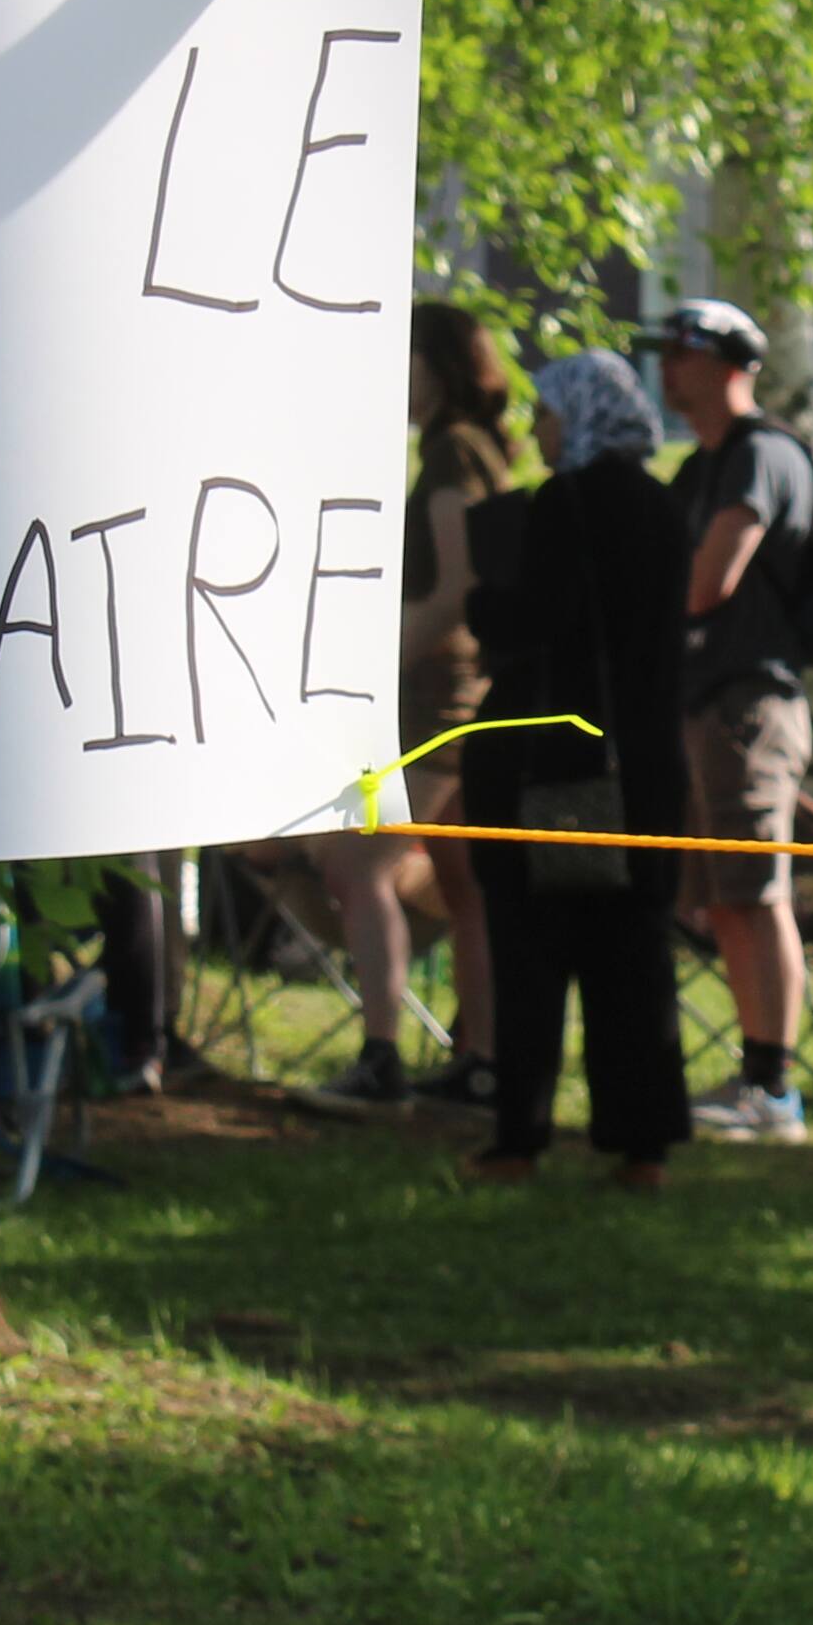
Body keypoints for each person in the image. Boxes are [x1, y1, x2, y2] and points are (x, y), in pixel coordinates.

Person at [464, 350, 695, 1184]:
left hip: (556, 762)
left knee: (533, 949)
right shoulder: (666, 508)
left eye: (550, 413)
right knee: (633, 958)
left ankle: (519, 1136)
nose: (539, 429)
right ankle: (643, 1144)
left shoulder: (564, 505)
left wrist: (478, 599)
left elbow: (529, 621)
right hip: (647, 766)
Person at [301, 301, 514, 1107]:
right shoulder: (475, 446)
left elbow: (459, 586)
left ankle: (381, 1056)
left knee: (358, 867)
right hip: (469, 698)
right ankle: (483, 1060)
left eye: (406, 357)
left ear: (440, 363)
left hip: (438, 704)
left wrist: (369, 663)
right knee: (465, 887)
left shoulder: (452, 451)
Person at [650, 294, 813, 1142]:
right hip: (709, 705)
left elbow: (704, 582)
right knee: (725, 900)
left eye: (681, 351)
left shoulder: (760, 455)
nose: (666, 367)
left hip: (750, 706)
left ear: (730, 361)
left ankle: (773, 1087)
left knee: (757, 893)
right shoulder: (704, 463)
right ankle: (759, 1078)